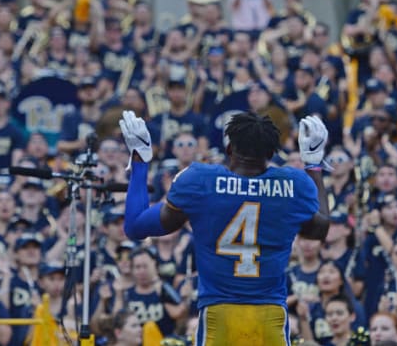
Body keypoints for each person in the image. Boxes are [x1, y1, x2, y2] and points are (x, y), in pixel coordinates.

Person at [120, 110, 330, 345]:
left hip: (218, 316)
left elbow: (136, 226)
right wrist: (313, 164)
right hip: (269, 316)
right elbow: (320, 229)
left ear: (229, 149)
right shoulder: (294, 184)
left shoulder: (200, 179)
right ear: (271, 153)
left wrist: (140, 160)